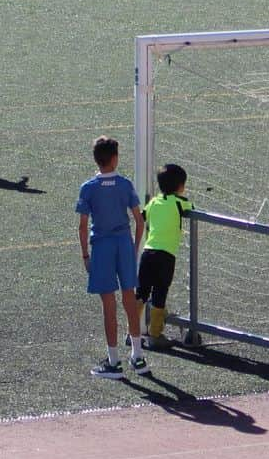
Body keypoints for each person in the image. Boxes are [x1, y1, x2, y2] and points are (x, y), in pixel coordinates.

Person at [76, 136, 149, 380]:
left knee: (109, 304)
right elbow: (139, 221)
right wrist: (134, 247)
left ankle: (114, 361)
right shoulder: (125, 184)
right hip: (124, 245)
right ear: (115, 159)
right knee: (130, 299)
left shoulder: (88, 188)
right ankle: (138, 357)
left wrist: (85, 254)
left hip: (102, 247)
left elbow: (83, 226)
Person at [133, 163, 192, 351]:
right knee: (159, 295)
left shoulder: (154, 202)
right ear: (180, 186)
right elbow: (191, 207)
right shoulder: (178, 202)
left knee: (141, 293)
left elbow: (143, 215)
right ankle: (155, 335)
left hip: (148, 253)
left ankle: (131, 332)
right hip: (165, 256)